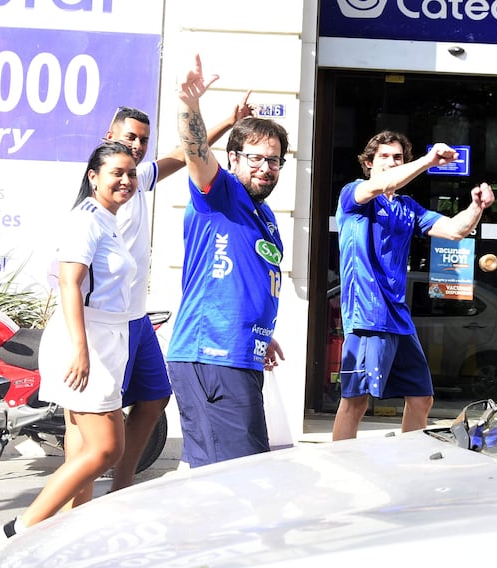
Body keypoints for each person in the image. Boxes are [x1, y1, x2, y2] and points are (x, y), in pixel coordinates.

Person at [102, 100, 254, 490]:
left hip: (136, 319)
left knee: (155, 399)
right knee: (96, 414)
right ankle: (78, 497)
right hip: (104, 321)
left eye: (142, 140)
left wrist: (227, 120)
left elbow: (182, 153)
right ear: (110, 136)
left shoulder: (137, 179)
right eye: (129, 137)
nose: (137, 145)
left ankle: (120, 487)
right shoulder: (99, 191)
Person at [0, 141, 137, 541]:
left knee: (81, 447)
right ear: (93, 177)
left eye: (130, 174)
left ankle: (74, 532)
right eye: (116, 173)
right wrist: (81, 349)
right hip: (87, 339)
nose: (126, 180)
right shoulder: (86, 220)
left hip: (104, 338)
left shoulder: (106, 218)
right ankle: (21, 528)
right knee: (107, 449)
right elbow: (68, 283)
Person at [332, 130, 495, 440]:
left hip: (399, 319)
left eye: (398, 158)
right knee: (355, 402)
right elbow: (385, 184)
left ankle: (408, 465)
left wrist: (477, 208)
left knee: (421, 398)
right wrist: (429, 160)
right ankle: (341, 474)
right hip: (367, 316)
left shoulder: (408, 207)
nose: (392, 162)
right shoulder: (354, 194)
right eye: (384, 156)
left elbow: (453, 230)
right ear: (369, 163)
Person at [166, 54, 288, 468]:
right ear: (233, 160)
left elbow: (246, 278)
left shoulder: (264, 215)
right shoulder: (220, 194)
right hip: (212, 357)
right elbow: (196, 152)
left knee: (214, 475)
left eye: (273, 160)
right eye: (254, 157)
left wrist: (260, 332)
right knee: (239, 480)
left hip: (241, 355)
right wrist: (190, 104)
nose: (265, 167)